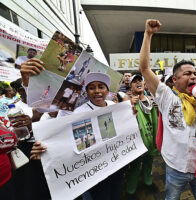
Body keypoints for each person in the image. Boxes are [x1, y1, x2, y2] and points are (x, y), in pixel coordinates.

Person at [28, 66, 126, 200]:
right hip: (94, 167)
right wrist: (46, 149)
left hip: (116, 162)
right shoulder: (79, 113)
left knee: (115, 193)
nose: (97, 91)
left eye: (101, 87)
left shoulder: (113, 106)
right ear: (87, 92)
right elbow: (64, 137)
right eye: (92, 88)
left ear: (107, 90)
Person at [139, 19, 196, 200]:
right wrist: (148, 35)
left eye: (195, 73)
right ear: (175, 80)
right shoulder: (166, 96)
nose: (193, 76)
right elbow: (145, 68)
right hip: (174, 167)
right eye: (187, 74)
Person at [125, 74, 159, 196]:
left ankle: (148, 182)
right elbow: (123, 119)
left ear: (144, 84)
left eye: (140, 80)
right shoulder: (127, 99)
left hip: (150, 138)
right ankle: (131, 190)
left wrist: (158, 107)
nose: (138, 82)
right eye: (134, 81)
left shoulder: (151, 99)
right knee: (135, 166)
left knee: (149, 162)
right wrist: (129, 106)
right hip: (137, 141)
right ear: (130, 86)